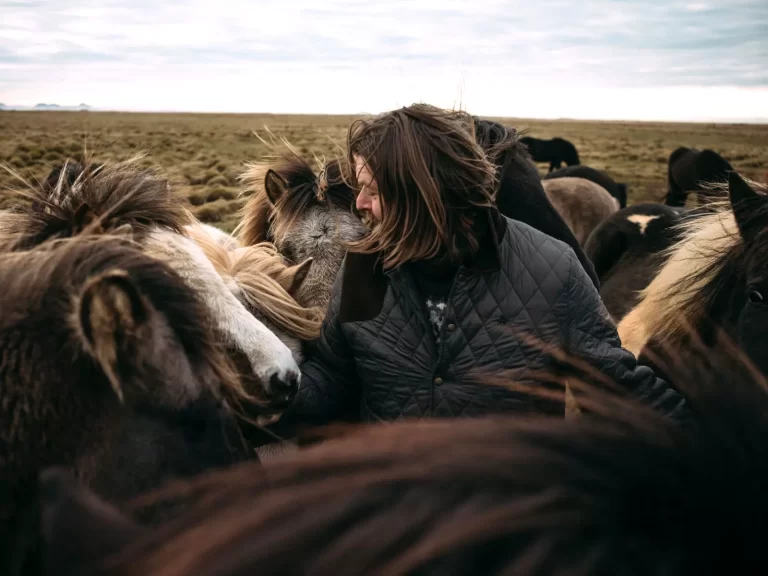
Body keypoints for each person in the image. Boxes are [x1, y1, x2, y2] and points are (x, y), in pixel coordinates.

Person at [269, 103, 688, 432]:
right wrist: (252, 401)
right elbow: (333, 377)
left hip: (512, 522)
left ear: (424, 194)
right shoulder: (363, 268)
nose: (360, 205)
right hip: (399, 518)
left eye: (373, 191)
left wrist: (716, 442)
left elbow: (616, 385)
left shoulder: (552, 269)